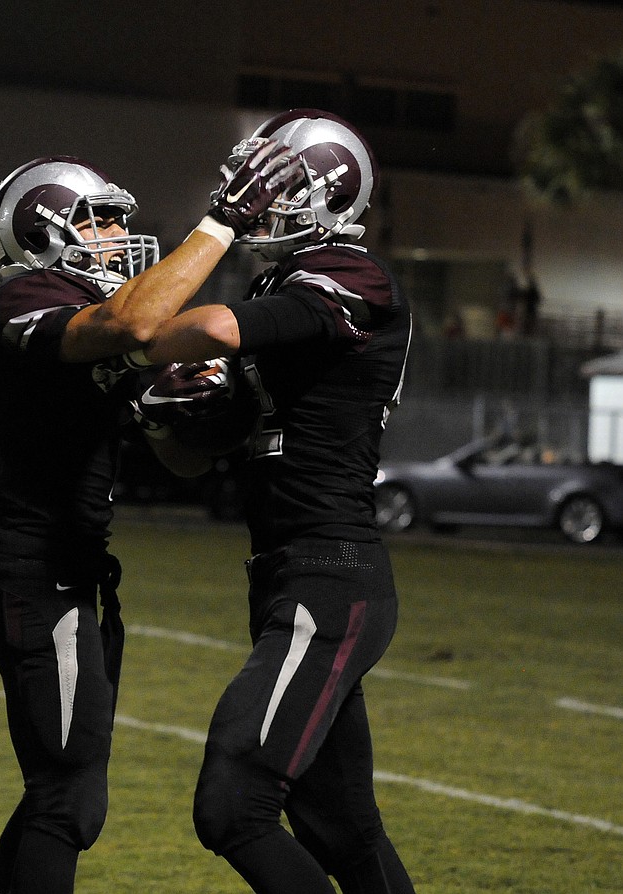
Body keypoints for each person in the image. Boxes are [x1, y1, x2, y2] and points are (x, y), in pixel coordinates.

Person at [0, 147, 298, 894]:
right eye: (97, 218)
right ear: (40, 229)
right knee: (71, 797)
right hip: (33, 571)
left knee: (56, 784)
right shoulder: (23, 303)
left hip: (64, 572)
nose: (116, 232)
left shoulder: (93, 323)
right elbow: (136, 321)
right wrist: (221, 225)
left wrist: (212, 410)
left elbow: (182, 461)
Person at [133, 109, 417, 894]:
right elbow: (194, 457)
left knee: (233, 804)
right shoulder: (279, 284)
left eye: (277, 179)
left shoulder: (354, 278)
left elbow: (205, 329)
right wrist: (159, 416)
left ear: (326, 192)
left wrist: (146, 318)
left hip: (331, 576)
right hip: (289, 576)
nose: (257, 194)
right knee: (344, 832)